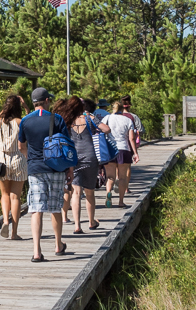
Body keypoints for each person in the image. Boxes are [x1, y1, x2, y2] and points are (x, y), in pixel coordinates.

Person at [18, 87, 70, 262]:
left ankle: (36, 252)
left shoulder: (25, 121)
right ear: (47, 100)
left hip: (35, 168)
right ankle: (58, 245)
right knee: (55, 207)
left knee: (36, 209)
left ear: (33, 103)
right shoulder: (56, 119)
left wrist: (30, 158)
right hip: (55, 167)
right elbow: (65, 143)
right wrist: (69, 169)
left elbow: (21, 146)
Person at [62, 97, 111, 233]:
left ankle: (77, 226)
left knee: (76, 193)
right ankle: (91, 221)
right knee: (90, 192)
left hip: (74, 158)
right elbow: (107, 129)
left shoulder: (68, 120)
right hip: (90, 157)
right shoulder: (89, 118)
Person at [0, 93, 28, 240]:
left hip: (2, 159)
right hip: (18, 159)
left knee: (4, 194)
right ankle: (14, 233)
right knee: (16, 197)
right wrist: (25, 106)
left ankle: (5, 221)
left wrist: (5, 108)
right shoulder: (20, 122)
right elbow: (30, 119)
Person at [102, 97, 139, 208]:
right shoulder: (127, 120)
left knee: (110, 177)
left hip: (109, 150)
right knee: (122, 177)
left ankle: (108, 193)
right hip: (124, 149)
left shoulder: (107, 118)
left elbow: (101, 132)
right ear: (122, 109)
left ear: (112, 109)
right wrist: (135, 153)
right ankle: (121, 201)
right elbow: (131, 138)